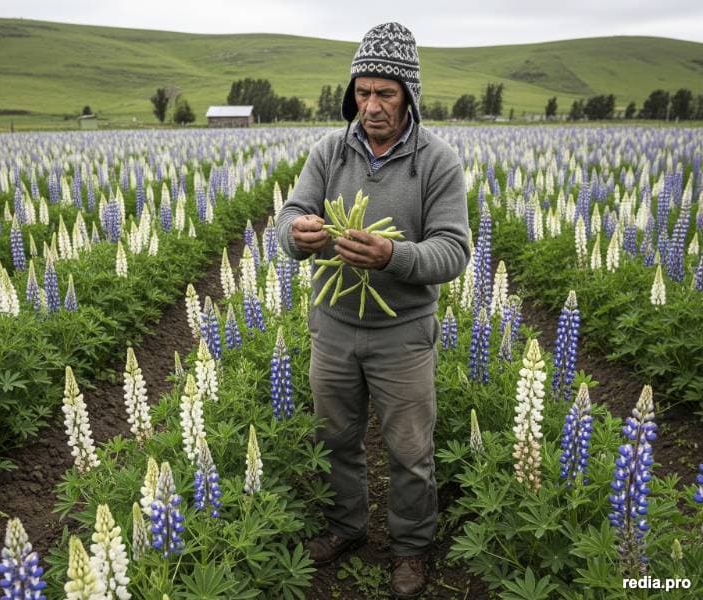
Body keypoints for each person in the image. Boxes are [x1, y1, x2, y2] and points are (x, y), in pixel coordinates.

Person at [275, 22, 471, 599]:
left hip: (402, 333)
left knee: (410, 451)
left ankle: (410, 547)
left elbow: (454, 250)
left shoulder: (438, 161)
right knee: (336, 439)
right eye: (362, 92)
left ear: (409, 94)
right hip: (333, 326)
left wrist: (393, 255)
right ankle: (347, 526)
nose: (372, 106)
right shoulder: (329, 152)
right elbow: (289, 216)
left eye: (385, 93)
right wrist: (298, 234)